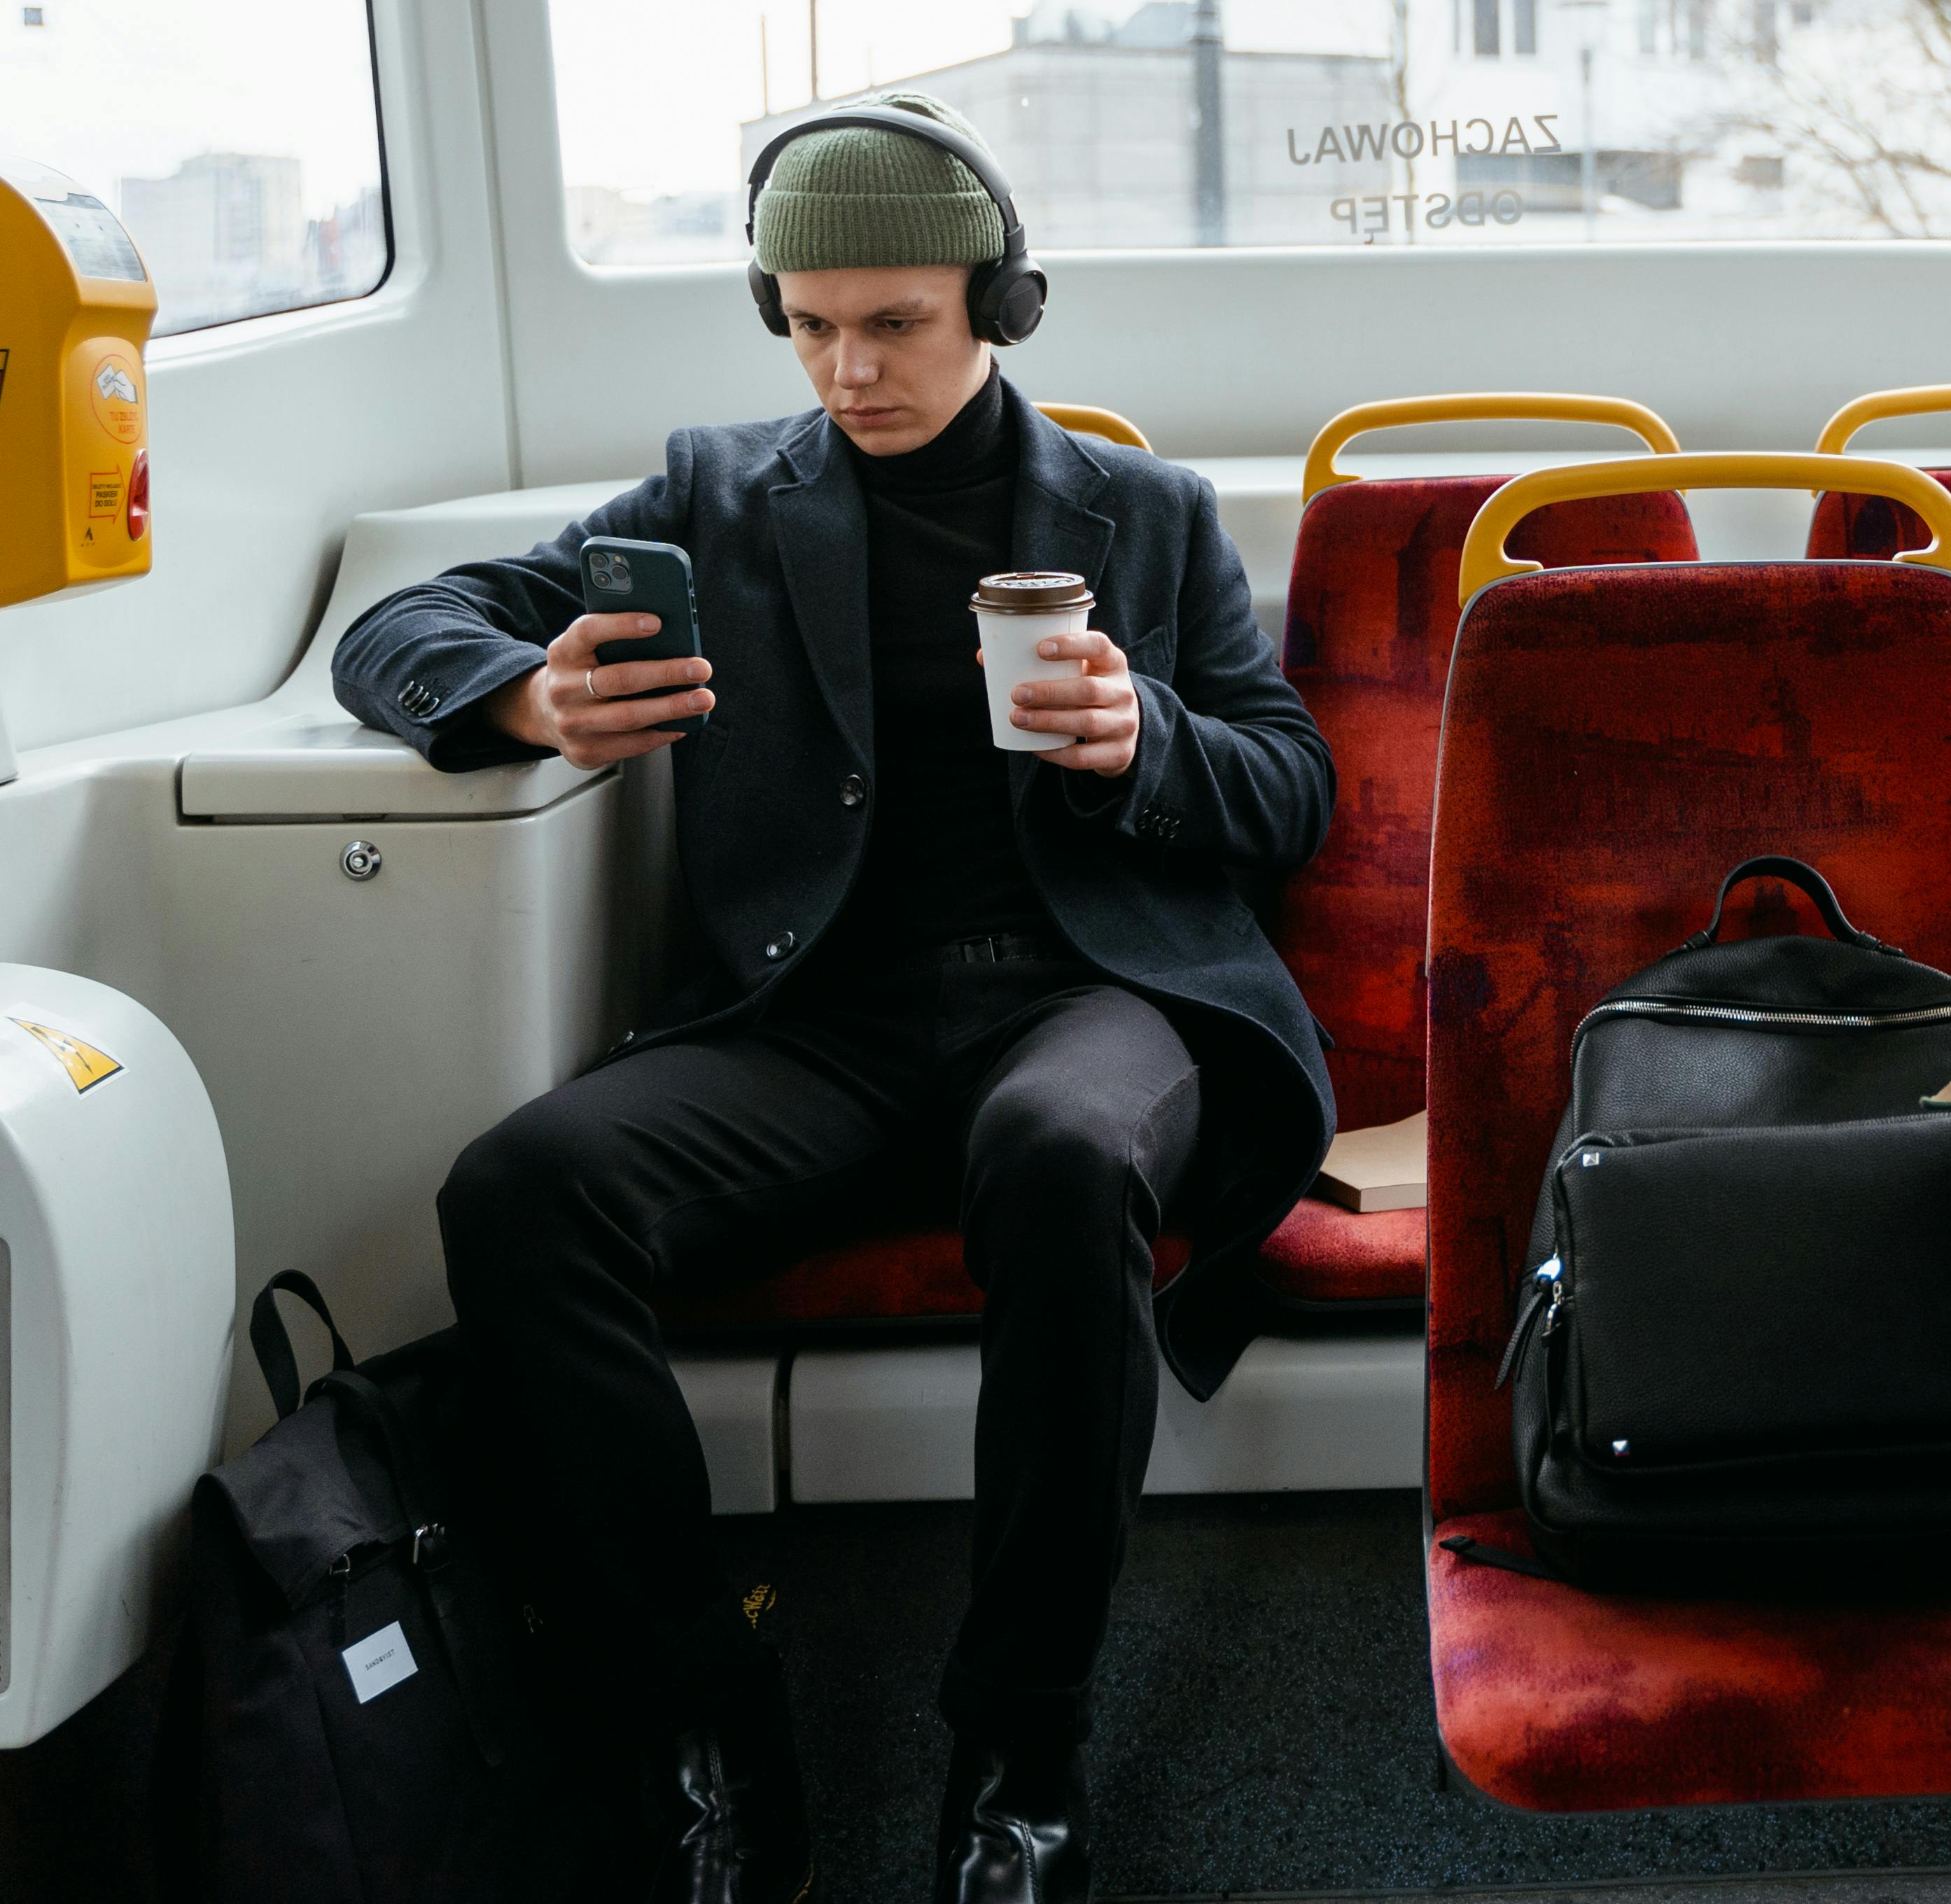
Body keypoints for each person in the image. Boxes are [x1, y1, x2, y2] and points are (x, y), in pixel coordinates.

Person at [334, 95, 1335, 1904]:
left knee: (1056, 1146)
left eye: (893, 323)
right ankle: (705, 1720)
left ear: (998, 302)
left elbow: (1289, 783)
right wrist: (520, 699)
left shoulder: (1148, 513)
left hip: (1092, 992)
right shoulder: (714, 497)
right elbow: (400, 624)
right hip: (824, 1025)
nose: (847, 365)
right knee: (521, 1188)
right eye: (807, 323)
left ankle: (1018, 1751)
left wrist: (1143, 740)